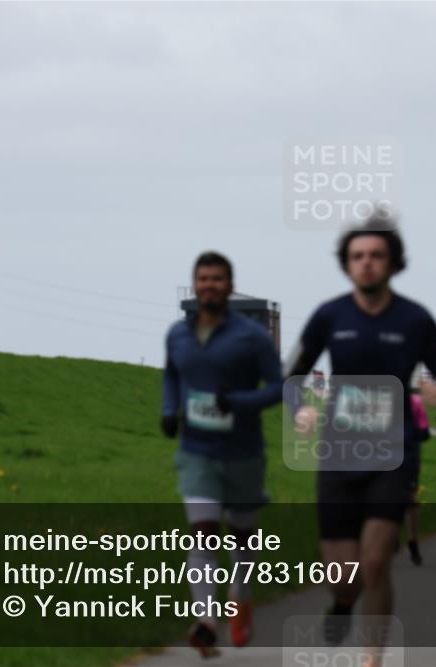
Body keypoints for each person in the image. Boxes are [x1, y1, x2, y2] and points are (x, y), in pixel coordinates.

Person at [284, 217, 436, 664]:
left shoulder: (415, 320)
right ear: (346, 265)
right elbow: (293, 375)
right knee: (342, 576)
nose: (367, 264)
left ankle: (372, 657)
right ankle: (342, 605)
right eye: (358, 256)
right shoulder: (329, 315)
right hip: (339, 454)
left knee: (376, 561)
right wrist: (299, 407)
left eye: (376, 255)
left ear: (394, 264)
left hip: (393, 454)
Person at [161, 252, 283, 656]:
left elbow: (278, 387)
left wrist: (239, 403)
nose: (210, 285)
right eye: (203, 279)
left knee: (242, 533)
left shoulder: (252, 337)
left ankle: (240, 594)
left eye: (217, 279)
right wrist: (168, 411)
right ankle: (206, 618)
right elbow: (172, 375)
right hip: (197, 450)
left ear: (230, 286)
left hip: (243, 451)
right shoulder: (177, 335)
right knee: (203, 531)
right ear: (195, 285)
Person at [404, 393, 431, 566]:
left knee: (410, 500)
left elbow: (425, 431)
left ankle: (412, 541)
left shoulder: (415, 402)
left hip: (408, 456)